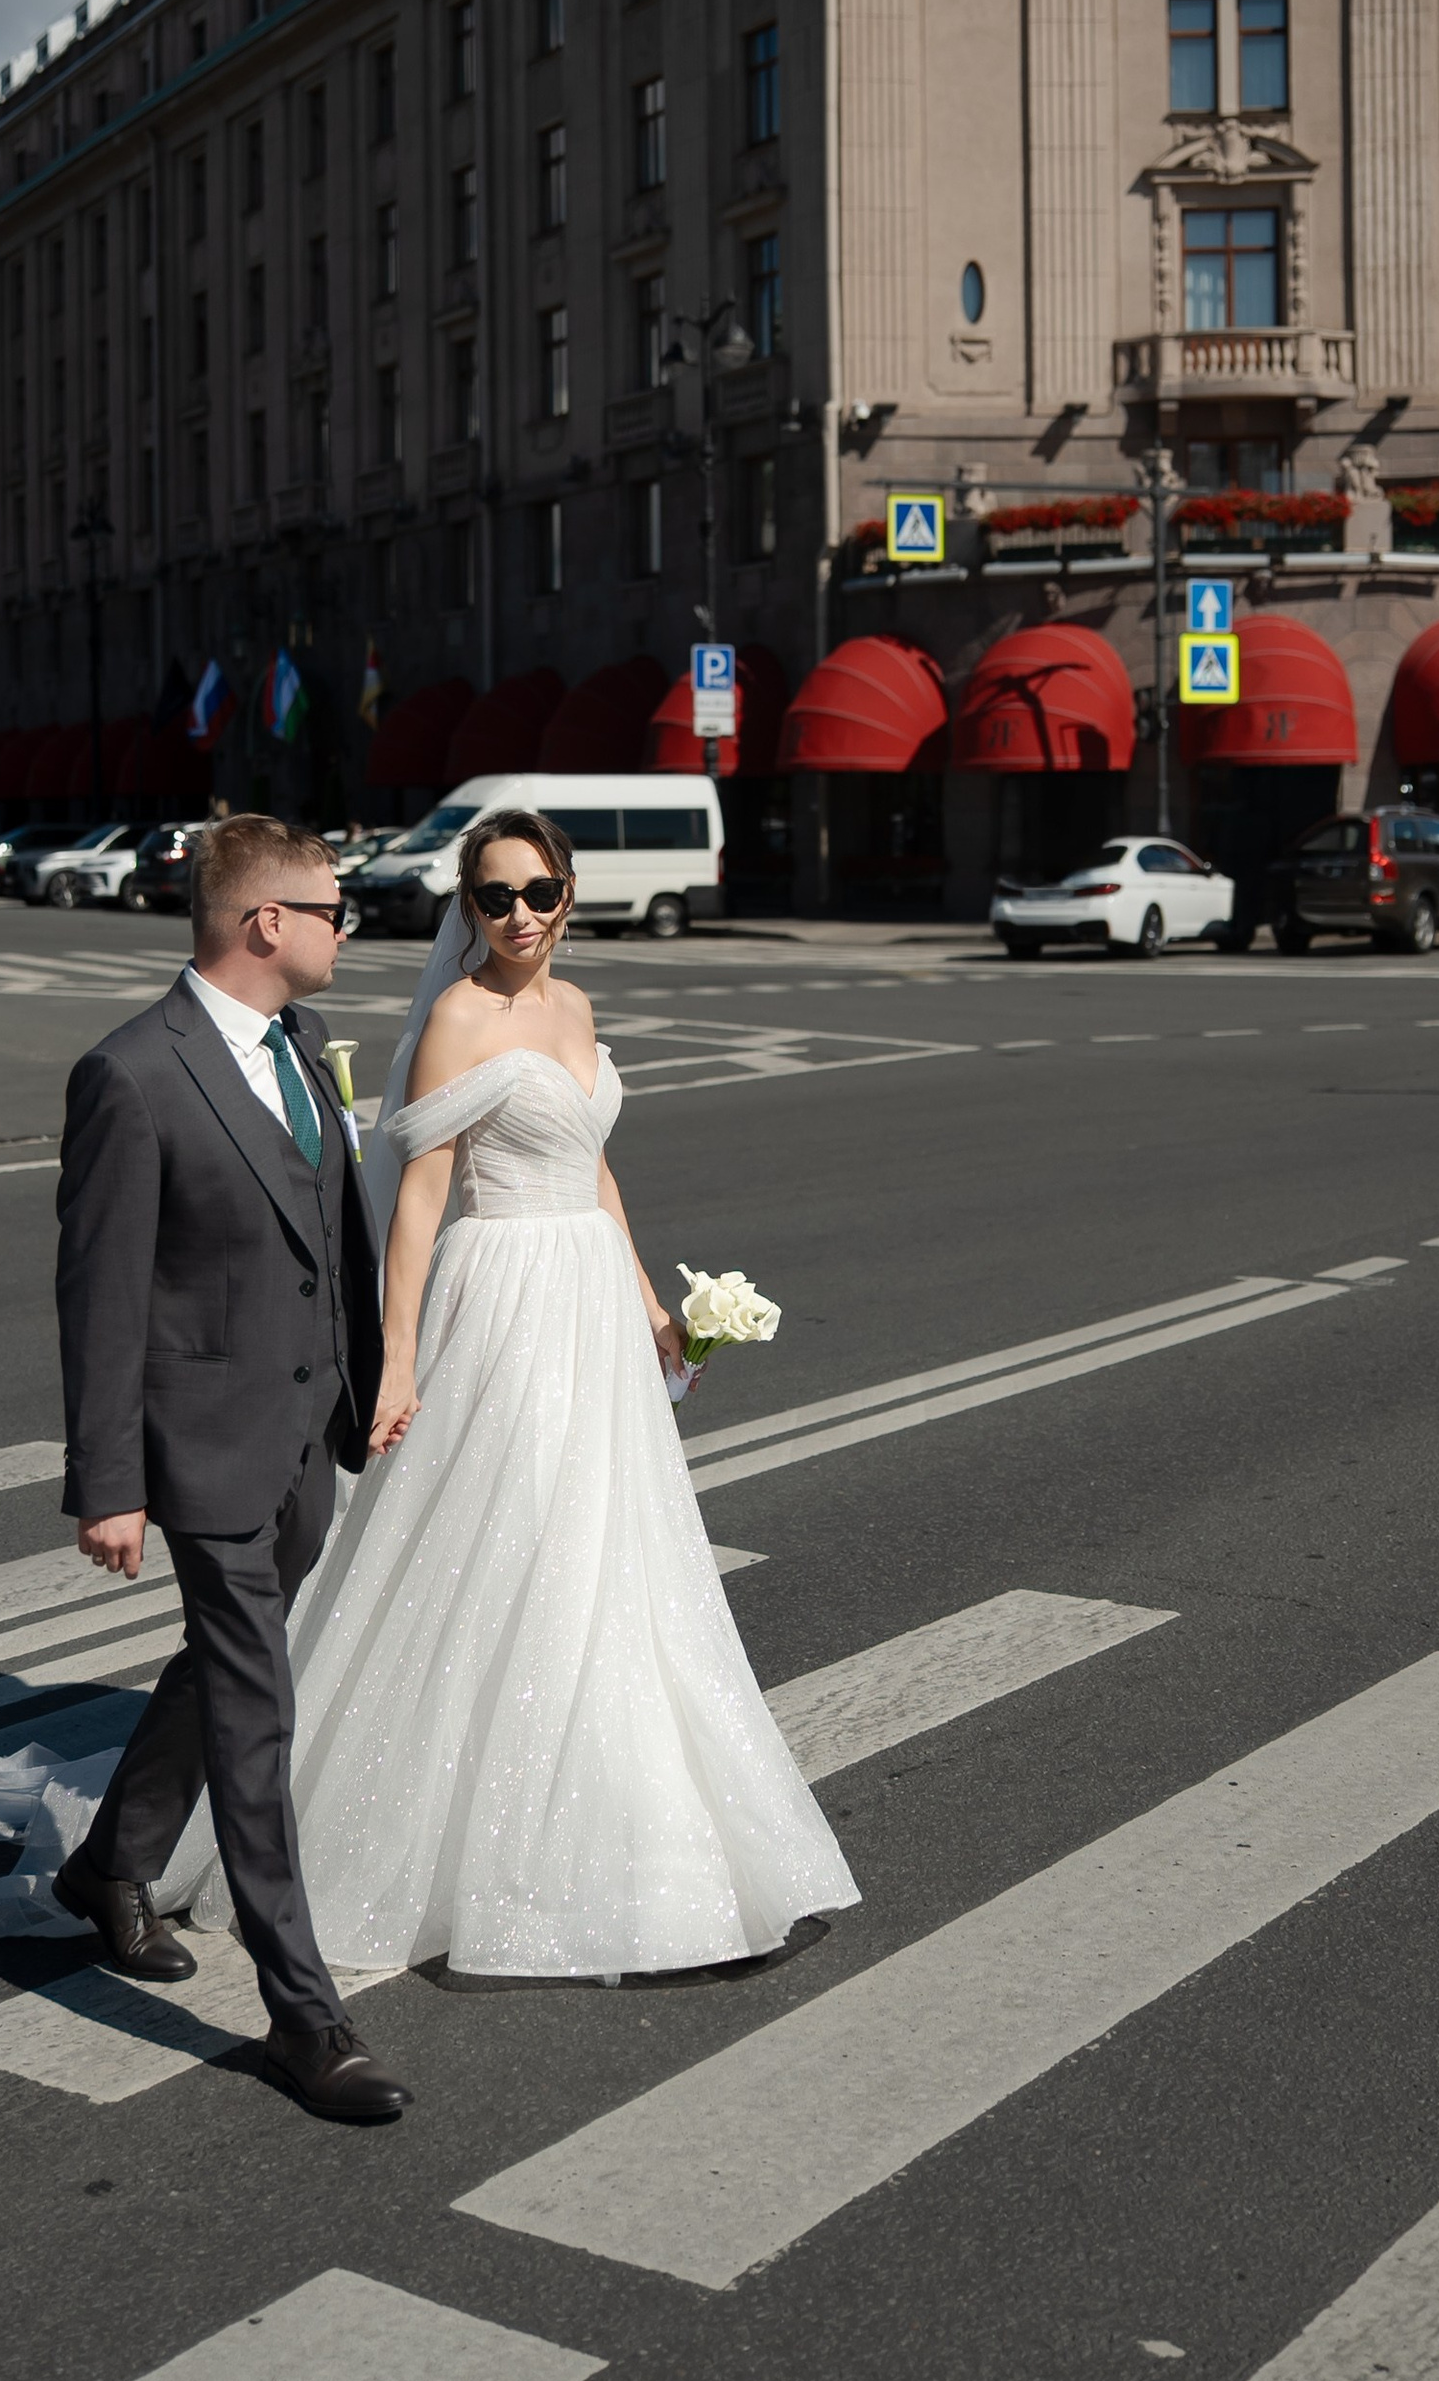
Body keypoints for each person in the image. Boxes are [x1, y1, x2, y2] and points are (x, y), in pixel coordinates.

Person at [281, 807, 858, 1981]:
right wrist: (398, 1365)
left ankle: (641, 1837)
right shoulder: (457, 1016)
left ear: (569, 890)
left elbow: (592, 1165)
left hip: (591, 1301)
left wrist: (656, 1311)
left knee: (618, 1557)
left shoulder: (577, 1006)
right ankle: (476, 1841)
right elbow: (422, 1207)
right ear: (465, 907)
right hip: (502, 1303)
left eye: (538, 893)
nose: (520, 920)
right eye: (493, 900)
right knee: (521, 1547)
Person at [52, 812, 412, 2126]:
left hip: (302, 1432)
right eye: (330, 908)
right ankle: (306, 2019)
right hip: (198, 1445)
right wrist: (109, 1482)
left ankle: (111, 1865)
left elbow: (331, 1239)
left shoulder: (304, 1052)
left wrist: (374, 1383)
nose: (343, 927)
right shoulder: (133, 1076)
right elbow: (97, 1299)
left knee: (224, 1665)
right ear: (267, 923)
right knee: (257, 1710)